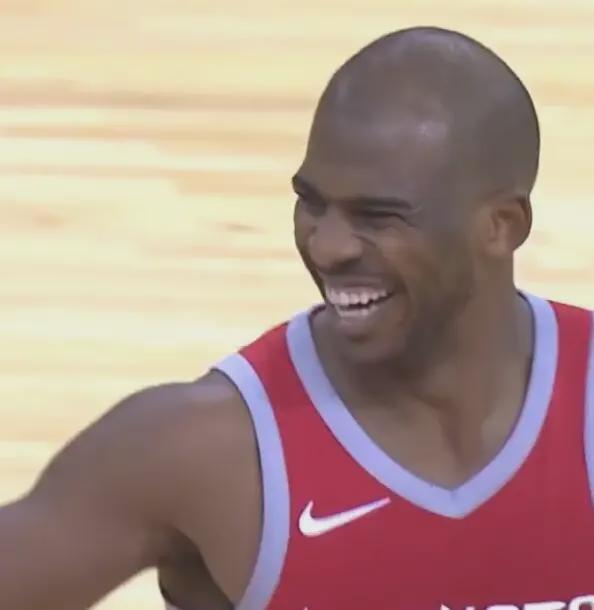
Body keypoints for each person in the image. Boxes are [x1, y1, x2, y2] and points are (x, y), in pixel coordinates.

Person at [1, 25, 593, 610]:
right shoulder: (202, 452)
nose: (327, 247)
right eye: (312, 203)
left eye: (378, 216)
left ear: (501, 227)